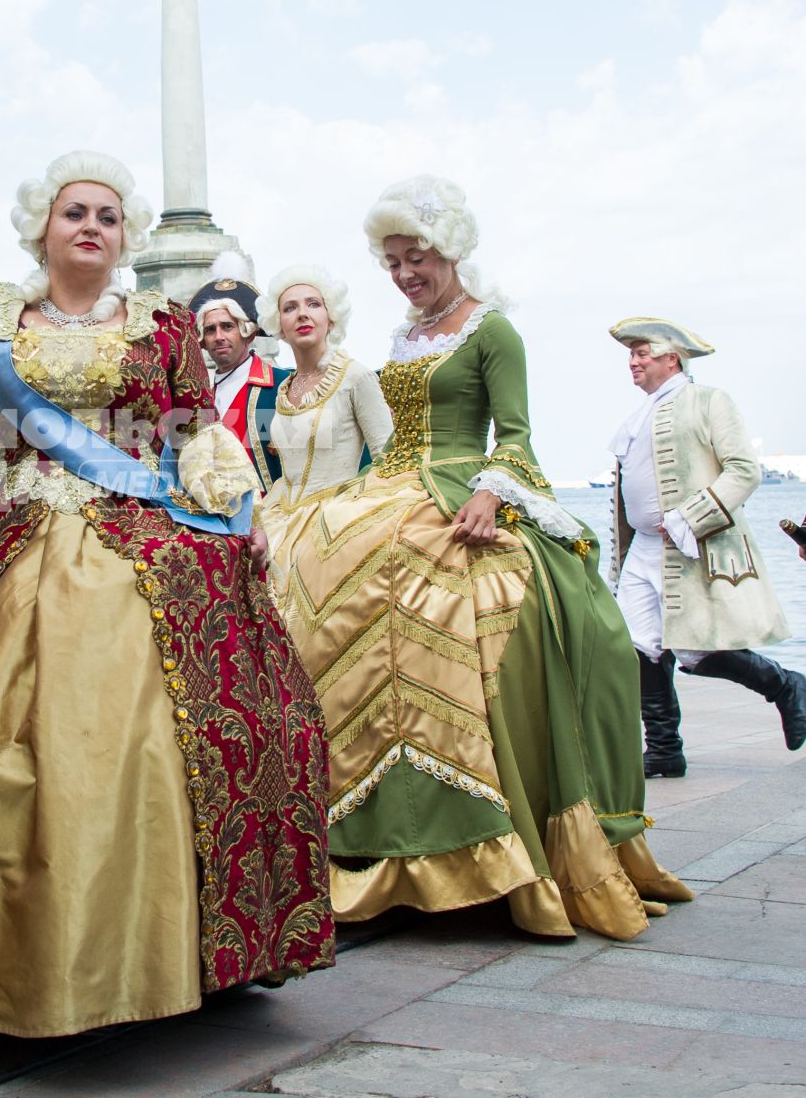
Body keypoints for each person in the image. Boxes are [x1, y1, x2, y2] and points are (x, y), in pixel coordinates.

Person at [0, 150, 333, 1042]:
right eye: (73, 213)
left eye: (107, 217)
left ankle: (181, 950)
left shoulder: (162, 325)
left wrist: (235, 509)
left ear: (122, 236)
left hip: (139, 539)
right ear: (41, 228)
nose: (91, 226)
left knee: (170, 737)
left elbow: (191, 429)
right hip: (6, 544)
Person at [277, 175, 691, 941]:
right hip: (393, 484)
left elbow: (516, 435)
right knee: (311, 568)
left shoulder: (492, 331)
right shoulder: (403, 337)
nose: (405, 274)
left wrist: (490, 495)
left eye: (417, 258)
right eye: (393, 262)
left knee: (468, 599)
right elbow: (388, 438)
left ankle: (473, 832)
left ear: (451, 251)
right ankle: (362, 828)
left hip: (466, 483)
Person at [608, 318, 803, 778]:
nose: (632, 363)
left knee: (696, 650)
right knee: (640, 646)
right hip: (642, 551)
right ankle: (664, 750)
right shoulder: (637, 417)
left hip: (688, 546)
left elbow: (743, 470)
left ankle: (787, 686)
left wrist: (689, 519)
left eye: (642, 353)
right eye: (630, 355)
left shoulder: (710, 400)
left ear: (671, 358)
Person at [255, 265, 391, 593]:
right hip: (280, 523)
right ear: (280, 328)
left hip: (336, 526)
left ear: (331, 318)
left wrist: (352, 515)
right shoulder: (284, 390)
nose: (302, 314)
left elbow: (388, 460)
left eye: (313, 304)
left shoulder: (355, 377)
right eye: (290, 308)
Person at [190, 250, 289, 494]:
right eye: (210, 330)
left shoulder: (283, 384)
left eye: (227, 327)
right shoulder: (197, 397)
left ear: (249, 333)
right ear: (202, 341)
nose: (219, 337)